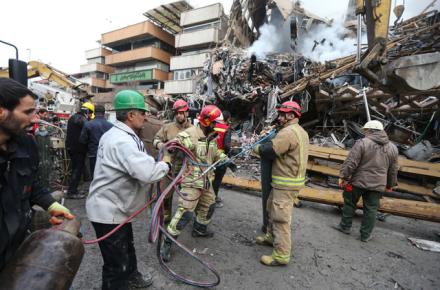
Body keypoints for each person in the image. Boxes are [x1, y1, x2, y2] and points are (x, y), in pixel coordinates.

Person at [86, 90, 169, 290]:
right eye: (142, 112)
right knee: (116, 264)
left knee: (127, 248)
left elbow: (138, 162)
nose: (145, 116)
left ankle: (132, 276)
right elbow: (148, 173)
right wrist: (166, 164)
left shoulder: (118, 134)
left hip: (116, 207)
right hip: (109, 210)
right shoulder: (122, 141)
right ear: (131, 115)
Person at [0, 78, 74, 271]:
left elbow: (32, 184)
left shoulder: (26, 144)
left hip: (17, 252)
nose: (35, 119)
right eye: (27, 112)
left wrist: (51, 205)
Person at [160, 105, 228, 262]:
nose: (218, 126)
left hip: (206, 180)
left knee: (209, 205)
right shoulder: (190, 134)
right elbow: (174, 144)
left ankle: (199, 229)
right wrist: (172, 148)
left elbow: (215, 152)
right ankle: (168, 242)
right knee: (185, 213)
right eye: (215, 122)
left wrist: (224, 159)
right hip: (192, 181)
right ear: (206, 121)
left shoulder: (212, 135)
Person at [253, 101, 309, 266]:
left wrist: (256, 148)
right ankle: (271, 237)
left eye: (282, 114)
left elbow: (269, 151)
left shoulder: (288, 133)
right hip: (287, 182)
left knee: (280, 219)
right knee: (271, 208)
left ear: (291, 115)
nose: (279, 117)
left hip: (286, 183)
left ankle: (281, 256)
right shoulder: (300, 131)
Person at [334, 120, 398, 242]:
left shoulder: (362, 143)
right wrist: (390, 184)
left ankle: (345, 227)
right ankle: (365, 235)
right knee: (371, 209)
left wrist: (343, 177)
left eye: (366, 130)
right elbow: (393, 169)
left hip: (357, 182)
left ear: (370, 130)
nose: (364, 132)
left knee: (350, 203)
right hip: (378, 186)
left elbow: (351, 162)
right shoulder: (392, 148)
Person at [152, 99, 193, 223]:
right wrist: (162, 146)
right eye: (177, 113)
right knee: (165, 194)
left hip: (186, 169)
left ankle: (181, 221)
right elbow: (156, 139)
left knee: (187, 195)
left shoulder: (194, 130)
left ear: (187, 112)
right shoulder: (167, 127)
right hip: (169, 166)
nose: (179, 115)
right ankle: (166, 216)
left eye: (181, 112)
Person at [65, 102, 94, 199]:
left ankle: (74, 189)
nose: (90, 116)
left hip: (72, 147)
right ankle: (72, 192)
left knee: (76, 169)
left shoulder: (73, 117)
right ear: (87, 111)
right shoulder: (81, 119)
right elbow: (89, 128)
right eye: (90, 114)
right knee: (77, 170)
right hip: (78, 149)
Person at [79, 104, 113, 177]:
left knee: (95, 176)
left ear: (94, 113)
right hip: (107, 155)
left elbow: (82, 140)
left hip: (93, 154)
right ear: (104, 113)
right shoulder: (111, 126)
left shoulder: (88, 124)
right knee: (106, 176)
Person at [212, 110, 232, 208]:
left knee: (208, 178)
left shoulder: (212, 126)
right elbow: (227, 146)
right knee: (217, 179)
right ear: (228, 119)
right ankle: (213, 199)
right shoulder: (226, 129)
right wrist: (228, 155)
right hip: (220, 158)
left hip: (209, 157)